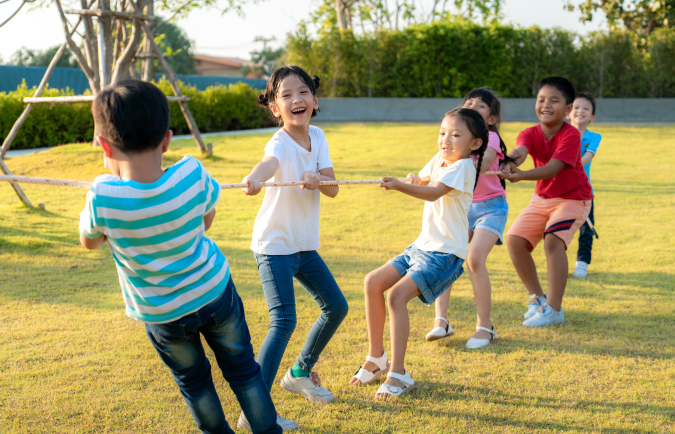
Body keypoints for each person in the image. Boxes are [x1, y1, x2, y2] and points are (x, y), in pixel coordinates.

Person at [78, 80, 282, 434]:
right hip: (216, 293)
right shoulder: (191, 172)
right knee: (244, 370)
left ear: (104, 146)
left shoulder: (103, 195)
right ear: (167, 139)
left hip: (163, 314)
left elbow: (90, 242)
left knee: (194, 382)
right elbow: (206, 219)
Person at [349, 107, 487, 399]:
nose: (446, 140)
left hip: (444, 254)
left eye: (456, 135)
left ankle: (398, 374)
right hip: (421, 247)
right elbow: (425, 180)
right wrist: (413, 178)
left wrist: (400, 186)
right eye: (442, 133)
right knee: (373, 282)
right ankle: (377, 359)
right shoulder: (441, 157)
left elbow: (435, 191)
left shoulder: (464, 166)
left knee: (395, 296)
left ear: (474, 143)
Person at [241, 66, 348, 427]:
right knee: (283, 320)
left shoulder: (318, 137)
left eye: (302, 92)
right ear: (275, 108)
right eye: (285, 95)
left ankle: (300, 373)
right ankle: (254, 412)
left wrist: (318, 179)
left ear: (314, 101)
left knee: (336, 307)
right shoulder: (279, 141)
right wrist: (255, 178)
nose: (295, 99)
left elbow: (334, 187)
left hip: (303, 246)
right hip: (274, 245)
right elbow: (268, 163)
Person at [500, 76, 593, 327]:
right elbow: (520, 152)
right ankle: (538, 299)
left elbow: (553, 168)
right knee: (514, 240)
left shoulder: (571, 135)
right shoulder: (529, 132)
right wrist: (506, 162)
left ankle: (554, 309)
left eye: (554, 100)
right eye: (541, 99)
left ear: (568, 109)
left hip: (574, 199)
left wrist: (520, 176)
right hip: (542, 199)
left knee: (553, 242)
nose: (546, 105)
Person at [425, 88, 513, 349]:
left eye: (481, 106)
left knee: (474, 259)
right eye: (469, 102)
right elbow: (435, 168)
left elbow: (481, 167)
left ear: (491, 119)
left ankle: (485, 327)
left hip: (491, 209)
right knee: (447, 256)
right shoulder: (455, 140)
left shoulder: (491, 139)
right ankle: (441, 321)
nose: (473, 106)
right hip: (464, 208)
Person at [568, 92, 601, 279]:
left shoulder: (594, 137)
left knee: (586, 229)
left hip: (584, 191)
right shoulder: (559, 134)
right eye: (576, 107)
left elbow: (588, 156)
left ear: (592, 117)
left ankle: (582, 262)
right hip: (561, 192)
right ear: (568, 113)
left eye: (586, 109)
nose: (580, 111)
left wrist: (569, 165)